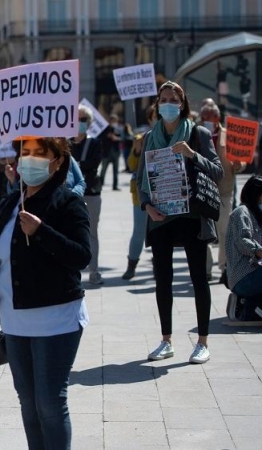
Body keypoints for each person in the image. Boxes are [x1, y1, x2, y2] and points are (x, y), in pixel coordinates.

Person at [0, 137, 90, 450]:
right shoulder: (12, 201)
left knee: (50, 404)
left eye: (41, 153)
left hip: (56, 319)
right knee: (28, 404)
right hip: (15, 321)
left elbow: (81, 256)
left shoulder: (67, 201)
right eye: (26, 153)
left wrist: (41, 232)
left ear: (56, 161)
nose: (31, 159)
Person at [136, 81, 224, 364]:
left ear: (183, 103)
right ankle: (166, 340)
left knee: (199, 277)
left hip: (191, 216)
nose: (168, 103)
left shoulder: (198, 134)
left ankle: (202, 341)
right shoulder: (151, 137)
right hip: (161, 217)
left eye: (174, 99)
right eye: (163, 99)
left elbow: (218, 171)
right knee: (163, 279)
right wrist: (147, 206)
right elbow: (141, 179)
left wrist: (192, 154)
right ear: (157, 104)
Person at [201, 103, 246, 285]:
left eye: (209, 117)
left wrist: (238, 164)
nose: (205, 121)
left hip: (224, 190)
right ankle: (205, 269)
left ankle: (225, 268)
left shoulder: (229, 135)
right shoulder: (196, 134)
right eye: (203, 117)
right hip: (203, 190)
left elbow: (241, 161)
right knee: (204, 231)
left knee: (225, 231)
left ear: (217, 118)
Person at [71, 105, 105, 285]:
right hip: (70, 195)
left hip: (91, 193)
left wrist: (75, 165)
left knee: (92, 232)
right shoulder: (65, 142)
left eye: (83, 120)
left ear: (90, 123)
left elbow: (93, 164)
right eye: (77, 119)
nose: (79, 123)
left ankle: (94, 271)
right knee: (69, 232)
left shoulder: (95, 143)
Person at [123, 106, 156, 280]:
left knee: (160, 232)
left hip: (163, 193)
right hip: (141, 194)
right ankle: (132, 264)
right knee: (139, 231)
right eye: (155, 116)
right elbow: (131, 166)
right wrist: (136, 150)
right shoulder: (140, 139)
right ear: (149, 120)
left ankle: (159, 265)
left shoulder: (171, 139)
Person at [225, 176, 262, 299]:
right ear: (255, 194)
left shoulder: (257, 214)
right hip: (244, 276)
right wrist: (257, 251)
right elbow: (242, 241)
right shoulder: (241, 212)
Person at [100, 114, 123, 191]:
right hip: (106, 153)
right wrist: (107, 137)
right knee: (103, 170)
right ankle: (100, 184)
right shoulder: (104, 130)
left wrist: (116, 138)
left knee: (115, 171)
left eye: (116, 121)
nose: (115, 123)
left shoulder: (116, 129)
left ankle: (115, 185)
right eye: (114, 121)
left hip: (115, 153)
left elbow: (122, 138)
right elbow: (100, 140)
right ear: (110, 121)